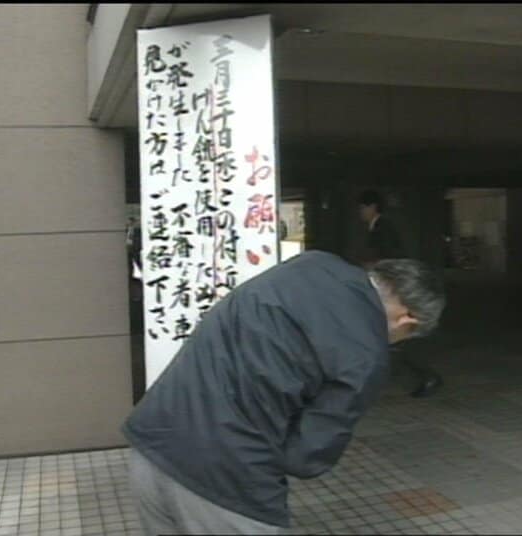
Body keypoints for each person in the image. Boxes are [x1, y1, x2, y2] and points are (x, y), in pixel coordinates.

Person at [123, 250, 446, 534]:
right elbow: (305, 456)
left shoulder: (310, 264)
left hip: (154, 440)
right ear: (407, 319)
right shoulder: (367, 356)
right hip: (226, 479)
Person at [357, 189, 444, 398]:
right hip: (394, 291)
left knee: (401, 336)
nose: (360, 212)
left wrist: (372, 269)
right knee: (399, 338)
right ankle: (425, 375)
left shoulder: (383, 227)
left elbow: (391, 258)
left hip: (396, 290)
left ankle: (428, 375)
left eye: (362, 208)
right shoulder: (377, 226)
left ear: (372, 207)